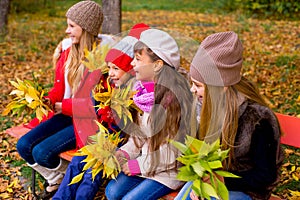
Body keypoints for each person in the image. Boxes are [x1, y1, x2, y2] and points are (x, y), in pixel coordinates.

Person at [175, 31, 284, 200]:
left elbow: (265, 176)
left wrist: (220, 181)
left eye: (197, 85)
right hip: (213, 182)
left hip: (249, 190)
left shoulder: (257, 119)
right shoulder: (205, 106)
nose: (192, 90)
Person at [52, 23, 150, 200]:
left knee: (92, 173)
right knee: (77, 162)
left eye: (116, 69)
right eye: (109, 68)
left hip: (121, 143)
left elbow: (133, 129)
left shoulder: (136, 92)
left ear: (129, 70)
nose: (111, 73)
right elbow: (96, 110)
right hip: (100, 137)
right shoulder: (109, 86)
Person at [16, 0, 104, 195]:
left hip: (88, 121)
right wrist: (45, 100)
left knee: (41, 152)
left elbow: (95, 107)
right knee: (23, 146)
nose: (67, 31)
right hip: (67, 114)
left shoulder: (101, 60)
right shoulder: (69, 52)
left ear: (86, 28)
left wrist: (61, 106)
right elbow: (59, 88)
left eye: (72, 26)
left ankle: (68, 180)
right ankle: (58, 178)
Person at [105, 28, 193, 200]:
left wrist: (138, 165)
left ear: (157, 65)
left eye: (138, 59)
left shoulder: (173, 100)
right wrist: (124, 153)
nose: (132, 64)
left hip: (169, 171)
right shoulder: (142, 91)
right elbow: (139, 135)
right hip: (147, 163)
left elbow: (174, 153)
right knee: (112, 192)